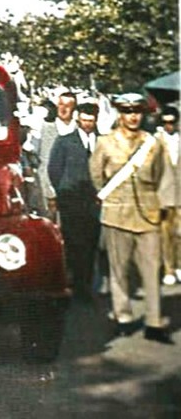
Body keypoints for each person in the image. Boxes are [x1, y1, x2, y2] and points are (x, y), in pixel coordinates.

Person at [89, 93, 172, 344]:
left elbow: (164, 175)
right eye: (127, 111)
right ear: (119, 114)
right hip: (117, 213)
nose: (133, 116)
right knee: (119, 270)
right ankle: (123, 317)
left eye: (137, 111)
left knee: (151, 270)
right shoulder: (106, 142)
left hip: (149, 214)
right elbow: (96, 175)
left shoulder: (153, 143)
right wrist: (112, 198)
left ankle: (154, 322)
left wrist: (165, 206)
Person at [48, 102, 100, 301]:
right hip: (71, 202)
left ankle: (85, 285)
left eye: (91, 120)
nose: (87, 124)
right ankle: (73, 284)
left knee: (91, 244)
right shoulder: (64, 141)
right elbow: (54, 169)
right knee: (73, 244)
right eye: (84, 120)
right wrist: (64, 192)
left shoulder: (102, 141)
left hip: (94, 203)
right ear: (78, 119)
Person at [33, 91, 77, 218]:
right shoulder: (44, 127)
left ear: (74, 109)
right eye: (61, 104)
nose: (63, 109)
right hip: (46, 191)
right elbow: (38, 159)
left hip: (72, 194)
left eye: (68, 106)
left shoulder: (78, 130)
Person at [155, 106, 181, 286]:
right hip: (163, 195)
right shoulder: (155, 141)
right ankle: (168, 268)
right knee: (165, 234)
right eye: (165, 122)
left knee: (180, 233)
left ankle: (179, 265)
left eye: (172, 122)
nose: (168, 125)